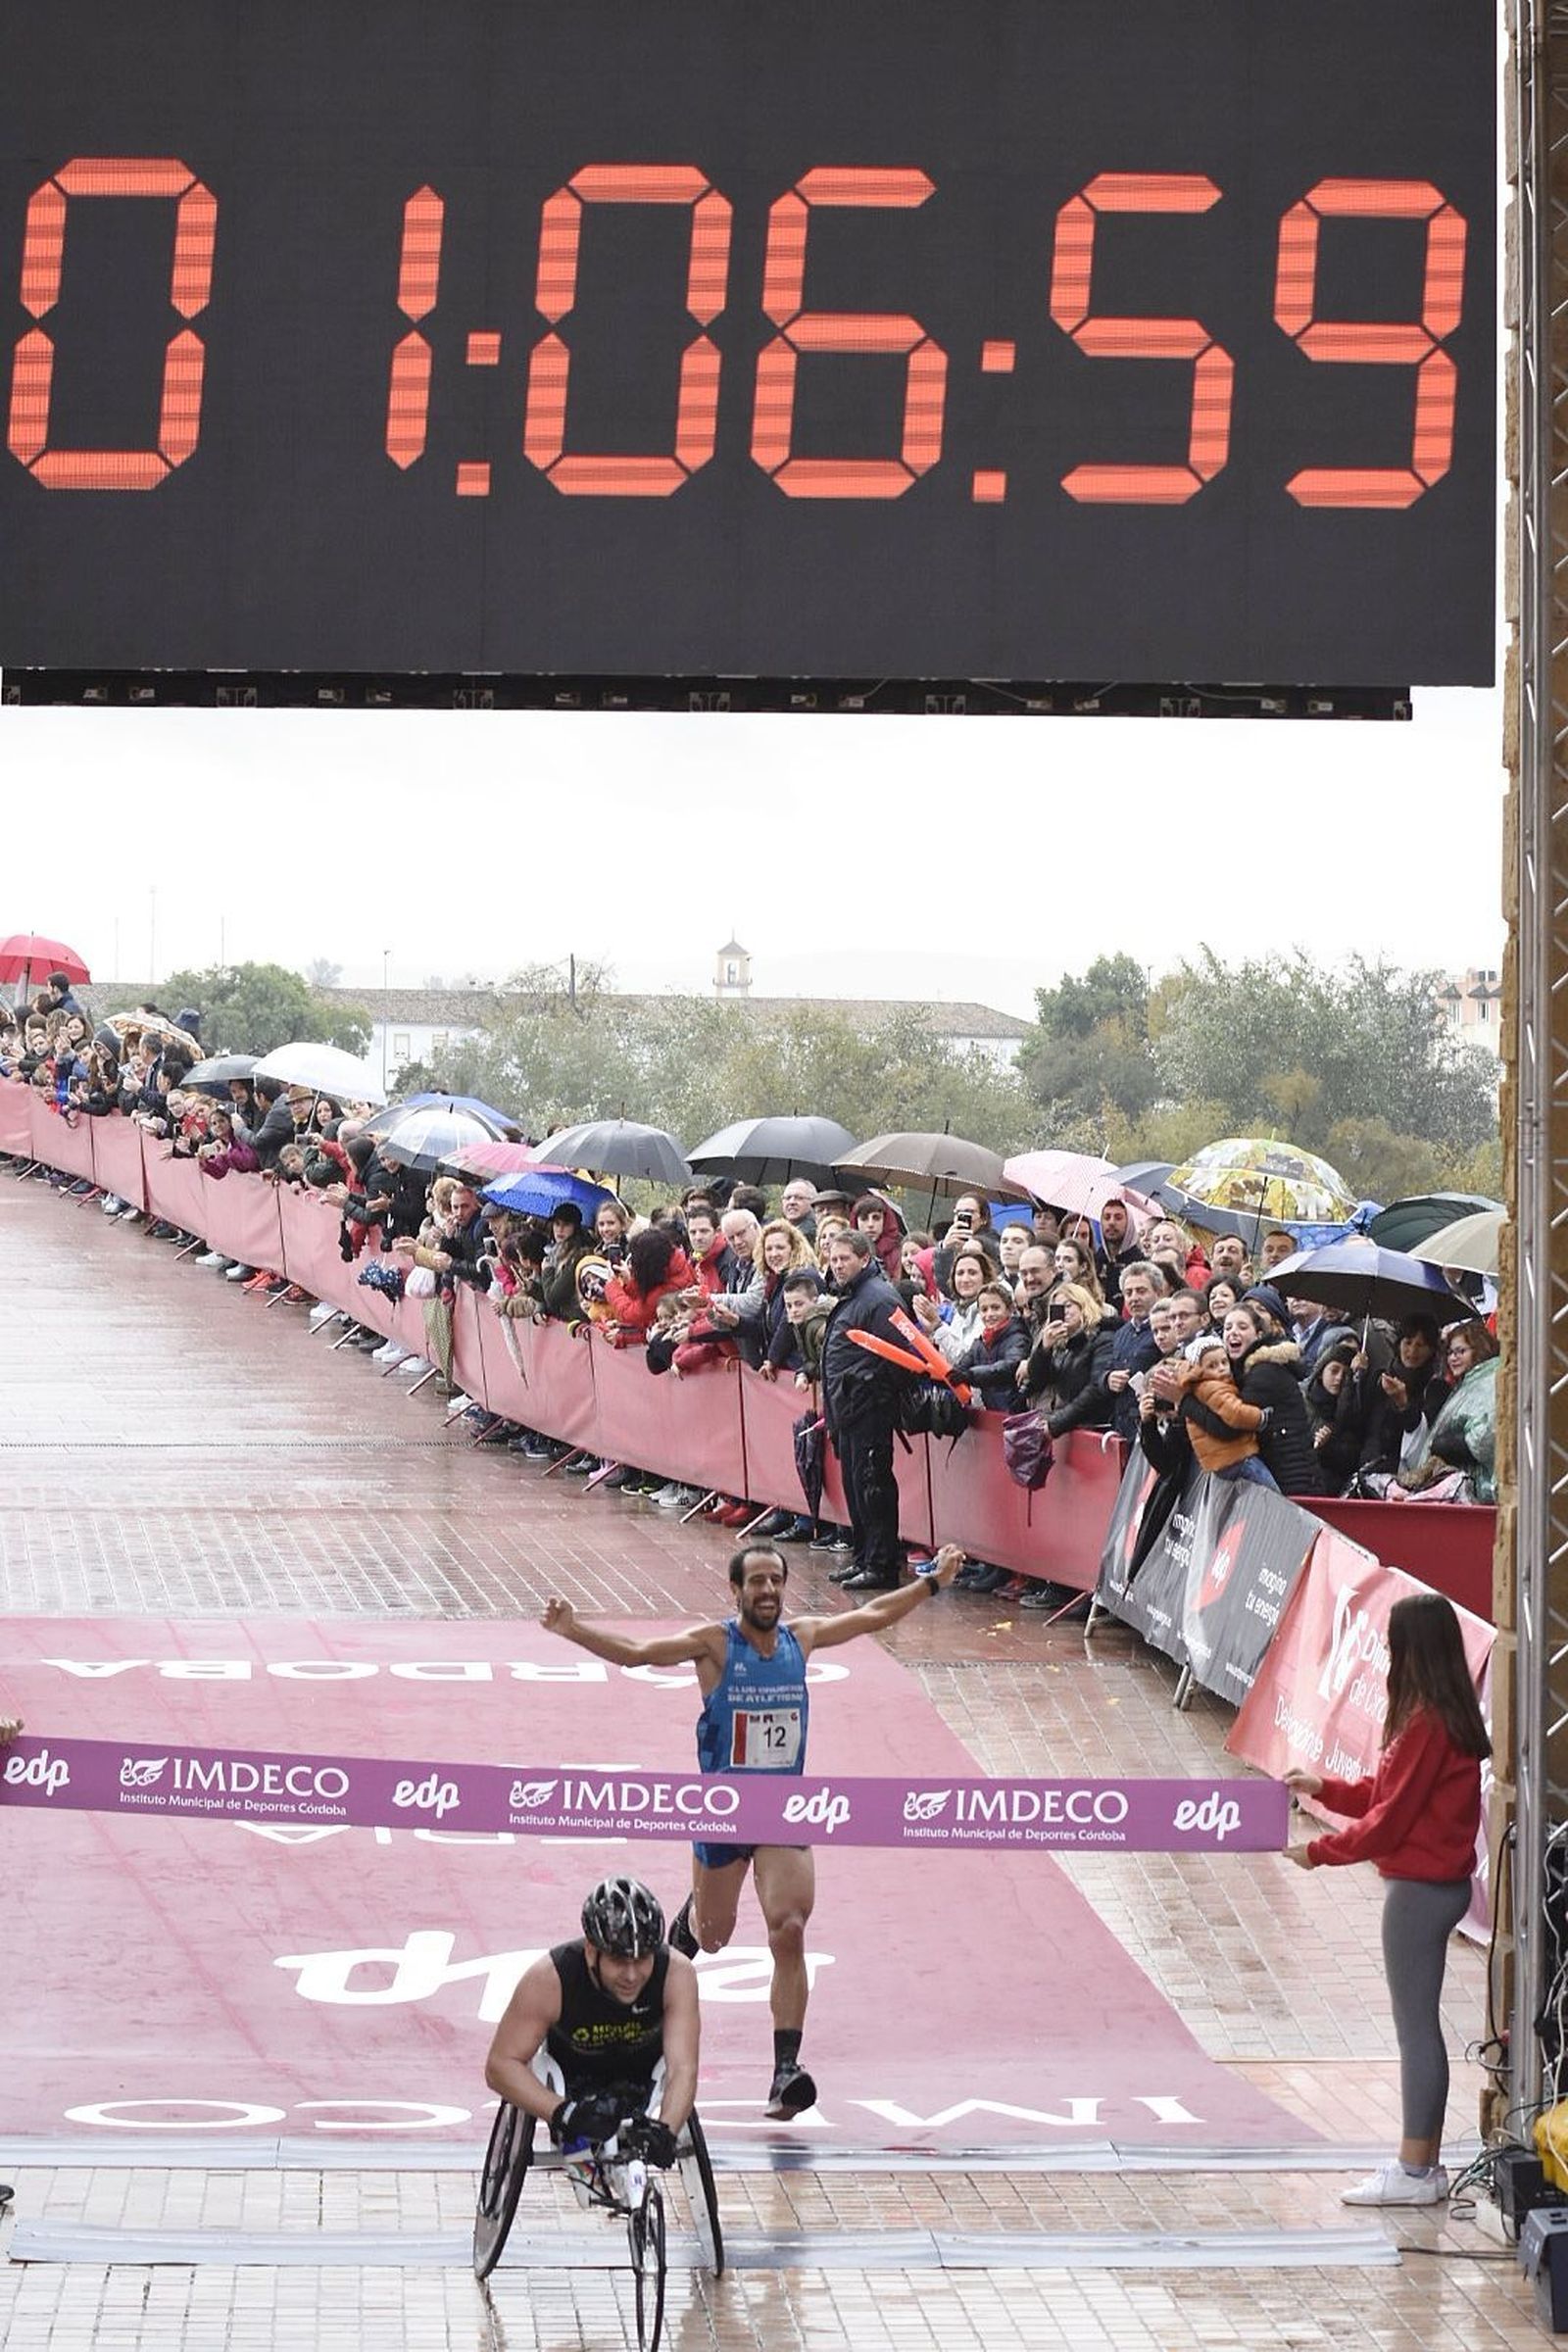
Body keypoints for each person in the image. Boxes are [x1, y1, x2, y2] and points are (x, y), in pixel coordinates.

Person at [541, 1540, 963, 2118]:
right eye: (756, 1582)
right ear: (735, 1590)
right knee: (713, 1934)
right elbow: (639, 1653)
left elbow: (872, 1615)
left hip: (783, 1810)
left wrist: (932, 1583)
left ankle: (786, 2069)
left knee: (788, 1929)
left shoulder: (802, 1638)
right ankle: (689, 1923)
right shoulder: (715, 1645)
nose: (767, 1592)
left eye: (775, 1582)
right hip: (722, 1811)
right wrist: (573, 1630)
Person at [1284, 1591, 1488, 2207]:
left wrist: (1320, 1853)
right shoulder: (1441, 1715)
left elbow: (1390, 1821)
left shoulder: (1425, 1723)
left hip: (1419, 1893)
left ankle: (1415, 2169)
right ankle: (1420, 2162)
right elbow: (1386, 1792)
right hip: (1437, 1886)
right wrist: (1326, 1788)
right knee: (1419, 2029)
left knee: (1415, 2033)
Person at [482, 1876, 697, 2174]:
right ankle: (583, 2161)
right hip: (571, 2087)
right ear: (590, 1951)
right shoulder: (549, 1979)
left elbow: (683, 2068)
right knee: (581, 2157)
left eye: (643, 1958)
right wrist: (562, 2111)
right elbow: (500, 2065)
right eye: (619, 1961)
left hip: (641, 2083)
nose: (632, 1975)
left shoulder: (676, 1973)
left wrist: (667, 2131)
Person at [820, 1228, 913, 1590]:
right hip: (848, 1409)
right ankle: (863, 1557)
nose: (838, 1265)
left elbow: (901, 1356)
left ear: (864, 1258)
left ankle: (880, 1564)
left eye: (844, 1259)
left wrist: (869, 1388)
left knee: (873, 1489)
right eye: (833, 1258)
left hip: (869, 1409)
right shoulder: (854, 1296)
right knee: (856, 1489)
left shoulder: (879, 1299)